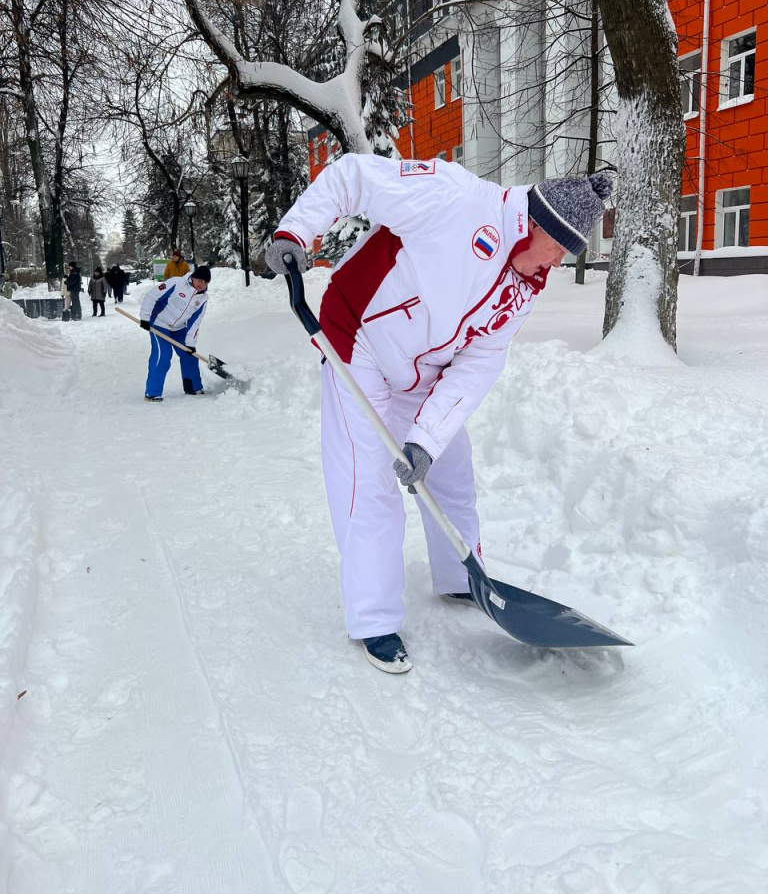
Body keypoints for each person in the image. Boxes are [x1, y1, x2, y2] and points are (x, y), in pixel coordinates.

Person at [265, 154, 610, 674]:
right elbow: (352, 177)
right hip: (358, 340)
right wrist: (296, 232)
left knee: (450, 470)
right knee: (370, 480)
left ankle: (460, 578)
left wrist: (426, 439)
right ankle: (374, 618)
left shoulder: (523, 286)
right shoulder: (456, 198)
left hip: (423, 367)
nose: (558, 263)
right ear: (537, 225)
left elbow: (481, 361)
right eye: (560, 248)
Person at [139, 265, 211, 401]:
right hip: (159, 324)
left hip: (178, 328)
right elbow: (152, 296)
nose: (202, 284)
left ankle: (193, 387)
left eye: (205, 282)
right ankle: (152, 393)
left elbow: (195, 322)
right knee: (163, 355)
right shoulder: (177, 283)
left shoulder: (203, 299)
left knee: (189, 355)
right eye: (200, 280)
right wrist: (145, 317)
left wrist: (190, 343)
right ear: (193, 277)